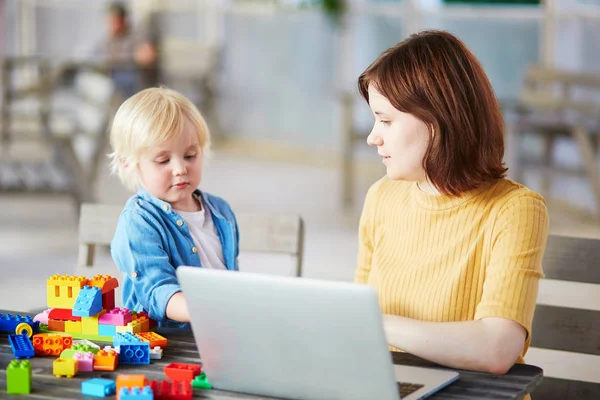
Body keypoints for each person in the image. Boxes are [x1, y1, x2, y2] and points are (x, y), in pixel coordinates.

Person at [354, 30, 549, 375]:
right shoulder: (381, 197)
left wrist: (375, 322)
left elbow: (497, 348)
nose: (373, 136)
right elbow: (356, 330)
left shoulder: (515, 209)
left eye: (385, 120)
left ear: (438, 120)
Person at [109, 87, 239, 324]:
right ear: (128, 163)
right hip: (166, 343)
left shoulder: (222, 212)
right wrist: (211, 313)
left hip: (220, 332)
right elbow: (157, 290)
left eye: (190, 155)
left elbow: (231, 278)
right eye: (163, 160)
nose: (180, 169)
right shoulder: (138, 221)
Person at [94, 2, 159, 97]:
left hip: (135, 81)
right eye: (109, 21)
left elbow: (147, 57)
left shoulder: (137, 34)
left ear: (123, 20)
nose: (112, 25)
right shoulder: (107, 40)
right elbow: (99, 59)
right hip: (114, 82)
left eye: (115, 21)